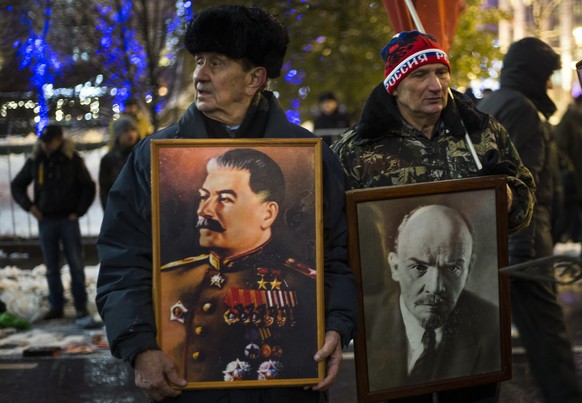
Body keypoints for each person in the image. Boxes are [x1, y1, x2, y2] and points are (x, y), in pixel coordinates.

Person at [95, 5, 357, 403]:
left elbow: (341, 256)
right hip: (185, 391)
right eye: (199, 61)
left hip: (290, 390)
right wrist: (138, 347)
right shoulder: (152, 157)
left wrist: (338, 325)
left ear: (255, 78)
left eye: (216, 63)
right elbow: (122, 260)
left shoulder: (315, 158)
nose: (200, 74)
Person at [331, 30, 536, 402]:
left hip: (474, 338)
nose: (435, 85)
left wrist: (507, 197)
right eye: (420, 75)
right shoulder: (354, 149)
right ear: (394, 85)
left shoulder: (482, 134)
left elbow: (524, 201)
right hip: (388, 337)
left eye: (442, 73)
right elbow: (333, 233)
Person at [478, 37, 582, 403]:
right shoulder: (521, 109)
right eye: (547, 75)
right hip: (525, 246)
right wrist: (527, 256)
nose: (551, 85)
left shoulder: (494, 102)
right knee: (548, 337)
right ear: (533, 73)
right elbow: (525, 186)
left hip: (504, 243)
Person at [160, 148, 317, 383]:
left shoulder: (303, 285)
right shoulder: (169, 278)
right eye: (204, 196)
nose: (204, 210)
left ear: (267, 213)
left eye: (224, 199)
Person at [368, 205, 500, 391]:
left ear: (469, 269)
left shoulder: (492, 327)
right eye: (419, 268)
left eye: (453, 268)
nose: (435, 287)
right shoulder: (364, 320)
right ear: (395, 267)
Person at [10, 124, 96, 323]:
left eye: (50, 142)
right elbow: (17, 184)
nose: (46, 145)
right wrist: (30, 206)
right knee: (51, 266)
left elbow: (88, 187)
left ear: (59, 140)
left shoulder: (72, 160)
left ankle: (80, 305)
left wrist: (78, 211)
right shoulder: (37, 160)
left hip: (68, 219)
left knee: (75, 264)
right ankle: (56, 305)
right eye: (44, 142)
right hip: (46, 219)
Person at [554, 95, 582, 243]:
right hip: (572, 181)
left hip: (577, 178)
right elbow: (559, 148)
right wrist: (569, 168)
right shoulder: (569, 121)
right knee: (567, 216)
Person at [98, 116, 139, 209]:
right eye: (125, 131)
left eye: (133, 130)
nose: (131, 134)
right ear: (118, 134)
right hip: (119, 212)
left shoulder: (144, 155)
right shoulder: (109, 160)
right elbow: (105, 191)